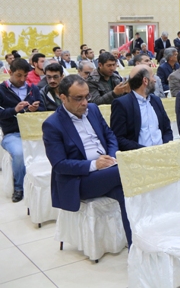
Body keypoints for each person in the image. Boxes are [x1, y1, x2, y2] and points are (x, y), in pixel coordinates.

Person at [42, 75, 132, 246]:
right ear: (63, 98)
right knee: (127, 170)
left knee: (125, 193)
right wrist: (94, 164)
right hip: (80, 180)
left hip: (108, 169)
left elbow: (110, 136)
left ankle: (134, 246)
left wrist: (112, 157)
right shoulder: (53, 124)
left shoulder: (93, 110)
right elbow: (59, 164)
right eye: (78, 98)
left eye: (87, 96)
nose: (84, 102)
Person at [0, 58, 45, 202]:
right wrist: (14, 110)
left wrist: (35, 109)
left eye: (25, 75)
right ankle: (19, 187)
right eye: (18, 75)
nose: (22, 79)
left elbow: (43, 109)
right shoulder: (2, 90)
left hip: (34, 132)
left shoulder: (33, 89)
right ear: (10, 72)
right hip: (12, 133)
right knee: (19, 153)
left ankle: (45, 185)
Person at [110, 66, 173, 151]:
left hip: (163, 152)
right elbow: (119, 138)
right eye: (152, 76)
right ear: (145, 80)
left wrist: (165, 147)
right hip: (139, 154)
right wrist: (145, 151)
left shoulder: (156, 100)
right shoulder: (122, 104)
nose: (155, 80)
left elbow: (167, 129)